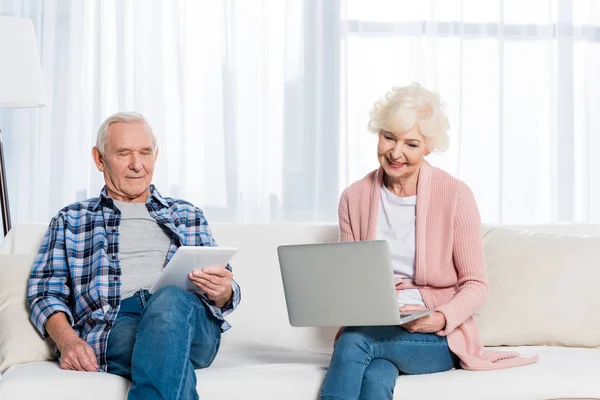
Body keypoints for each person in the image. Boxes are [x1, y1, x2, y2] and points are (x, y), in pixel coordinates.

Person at [320, 84, 538, 400]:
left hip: (435, 336)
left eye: (411, 143)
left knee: (355, 342)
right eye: (389, 137)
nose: (396, 153)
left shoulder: (455, 195)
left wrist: (439, 318)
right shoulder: (353, 197)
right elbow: (348, 279)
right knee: (375, 373)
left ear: (428, 147)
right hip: (375, 326)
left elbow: (476, 284)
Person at [28, 112, 241, 400]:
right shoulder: (71, 219)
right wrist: (68, 341)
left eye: (145, 152)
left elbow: (226, 291)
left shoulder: (188, 214)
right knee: (163, 350)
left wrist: (223, 290)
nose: (137, 165)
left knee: (169, 299)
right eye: (124, 153)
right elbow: (44, 292)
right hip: (116, 325)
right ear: (99, 159)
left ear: (156, 155)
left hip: (191, 324)